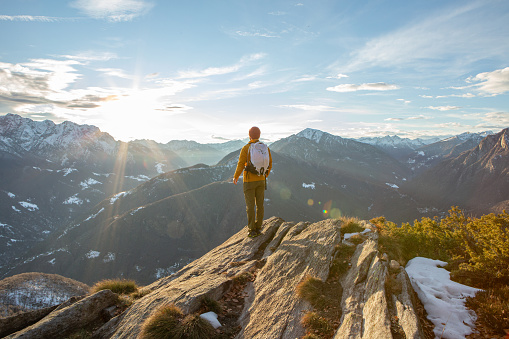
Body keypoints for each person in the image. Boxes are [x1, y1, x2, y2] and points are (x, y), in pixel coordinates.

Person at [233, 126, 272, 238]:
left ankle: (252, 230)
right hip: (261, 180)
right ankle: (259, 227)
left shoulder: (246, 148)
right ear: (259, 135)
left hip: (249, 181)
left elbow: (240, 164)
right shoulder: (265, 148)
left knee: (250, 206)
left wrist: (236, 176)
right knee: (260, 205)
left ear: (249, 135)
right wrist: (264, 175)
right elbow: (269, 164)